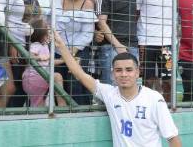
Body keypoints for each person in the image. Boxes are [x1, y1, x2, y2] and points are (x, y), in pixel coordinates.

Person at [54, 31, 182, 147]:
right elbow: (80, 74)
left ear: (137, 72)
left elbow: (173, 139)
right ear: (112, 74)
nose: (124, 74)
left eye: (129, 70)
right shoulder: (110, 94)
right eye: (119, 70)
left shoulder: (154, 99)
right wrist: (61, 45)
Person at [135, 0, 175, 103]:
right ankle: (148, 105)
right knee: (148, 78)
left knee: (168, 77)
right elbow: (136, 13)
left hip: (166, 43)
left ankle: (168, 106)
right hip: (146, 41)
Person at [95, 0, 140, 86]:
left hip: (132, 45)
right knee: (111, 85)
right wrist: (118, 45)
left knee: (131, 84)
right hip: (111, 46)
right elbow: (101, 22)